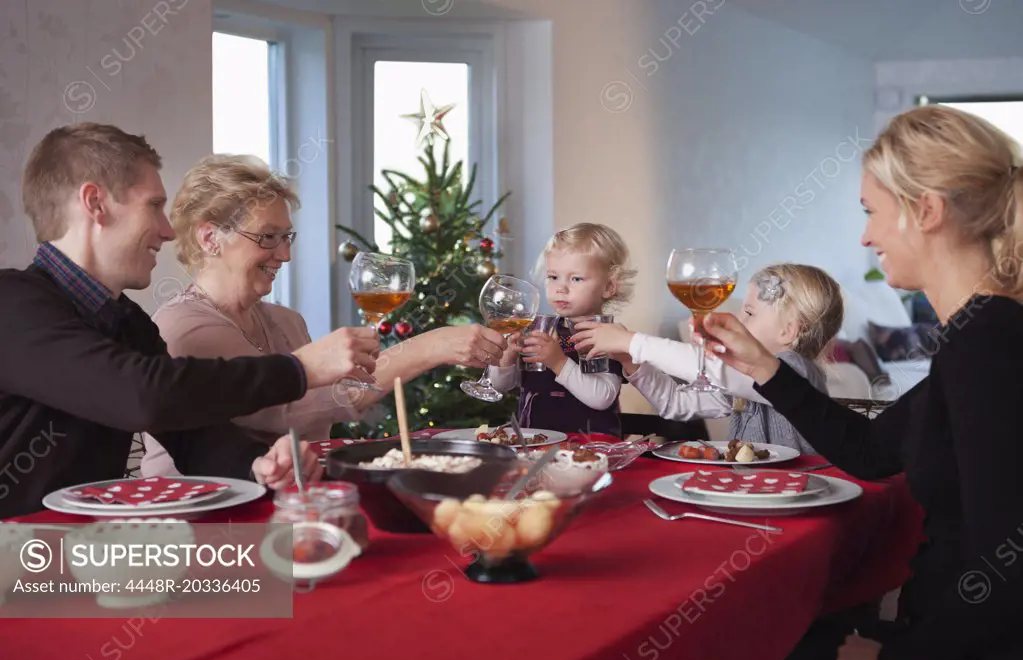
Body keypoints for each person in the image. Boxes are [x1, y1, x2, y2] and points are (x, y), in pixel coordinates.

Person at [697, 105, 1023, 660]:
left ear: (927, 211)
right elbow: (871, 452)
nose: (865, 235)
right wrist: (766, 366)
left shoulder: (991, 342)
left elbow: (1009, 565)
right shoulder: (977, 333)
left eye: (872, 212)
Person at [0, 123, 367, 518]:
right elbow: (143, 396)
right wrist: (300, 369)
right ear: (95, 203)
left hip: (77, 557)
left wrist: (256, 465)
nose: (169, 231)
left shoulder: (129, 322)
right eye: (154, 205)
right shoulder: (11, 303)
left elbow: (194, 434)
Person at [141, 154, 508, 475]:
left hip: (287, 507)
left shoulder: (287, 322)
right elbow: (289, 410)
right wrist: (432, 346)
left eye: (287, 237)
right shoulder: (183, 327)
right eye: (268, 237)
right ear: (210, 239)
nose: (284, 255)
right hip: (201, 519)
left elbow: (333, 405)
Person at [570, 263, 842, 454]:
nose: (739, 319)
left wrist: (633, 341)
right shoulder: (743, 384)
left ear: (788, 330)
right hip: (754, 493)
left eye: (749, 312)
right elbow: (676, 403)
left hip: (802, 494)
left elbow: (714, 369)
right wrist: (631, 360)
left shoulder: (797, 373)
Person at [490, 223, 636, 437]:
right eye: (553, 277)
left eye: (576, 278)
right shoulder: (540, 328)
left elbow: (602, 397)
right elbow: (500, 386)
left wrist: (558, 362)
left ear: (608, 287)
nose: (561, 288)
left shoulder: (608, 335)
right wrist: (507, 356)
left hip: (591, 448)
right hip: (535, 445)